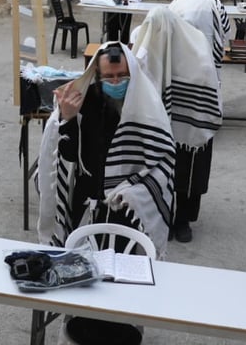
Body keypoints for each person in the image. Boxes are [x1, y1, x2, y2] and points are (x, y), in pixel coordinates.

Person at [36, 41, 175, 254]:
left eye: (122, 76)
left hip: (124, 207)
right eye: (109, 77)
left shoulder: (146, 107)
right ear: (97, 75)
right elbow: (68, 156)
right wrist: (67, 119)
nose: (116, 82)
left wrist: (136, 192)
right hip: (85, 203)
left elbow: (163, 162)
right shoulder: (83, 101)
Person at [131, 7, 222, 243]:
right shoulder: (145, 35)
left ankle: (183, 219)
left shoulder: (196, 44)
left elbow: (205, 77)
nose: (154, 33)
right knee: (157, 168)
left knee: (188, 172)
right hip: (159, 121)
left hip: (189, 124)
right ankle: (160, 215)